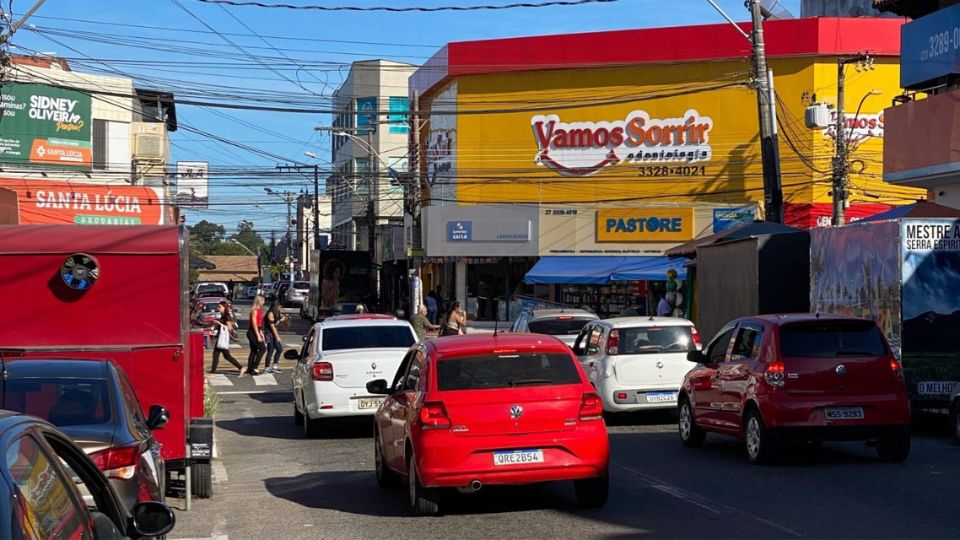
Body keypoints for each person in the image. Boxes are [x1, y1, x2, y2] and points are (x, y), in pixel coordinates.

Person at [210, 301, 244, 375]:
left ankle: (241, 367)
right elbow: (221, 326)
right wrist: (215, 328)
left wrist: (219, 323)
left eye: (220, 307)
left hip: (223, 338)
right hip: (220, 337)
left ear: (224, 308)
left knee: (225, 355)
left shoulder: (227, 316)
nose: (218, 308)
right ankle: (213, 371)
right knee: (219, 355)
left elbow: (229, 328)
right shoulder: (222, 316)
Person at [263, 302, 287, 374]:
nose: (280, 308)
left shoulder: (275, 313)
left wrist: (281, 319)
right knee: (270, 350)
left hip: (273, 333)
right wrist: (277, 336)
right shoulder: (270, 313)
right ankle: (267, 368)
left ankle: (274, 366)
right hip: (269, 334)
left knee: (279, 349)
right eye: (279, 307)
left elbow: (275, 323)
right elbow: (272, 326)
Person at [245, 295, 266, 376]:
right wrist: (258, 335)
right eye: (263, 300)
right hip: (252, 332)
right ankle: (255, 367)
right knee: (262, 348)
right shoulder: (254, 310)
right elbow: (254, 324)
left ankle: (250, 368)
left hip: (257, 331)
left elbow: (259, 324)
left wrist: (261, 333)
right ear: (259, 301)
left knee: (253, 351)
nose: (264, 302)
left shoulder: (259, 310)